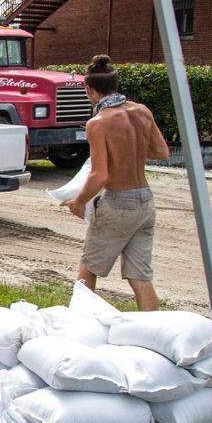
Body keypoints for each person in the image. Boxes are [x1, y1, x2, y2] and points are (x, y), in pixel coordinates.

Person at [63, 54, 170, 311]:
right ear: (115, 85)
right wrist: (129, 151)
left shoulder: (98, 123)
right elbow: (162, 152)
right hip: (145, 202)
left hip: (118, 203)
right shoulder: (141, 111)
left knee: (88, 269)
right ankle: (154, 330)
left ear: (89, 89)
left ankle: (77, 325)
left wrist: (78, 202)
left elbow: (100, 175)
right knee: (139, 276)